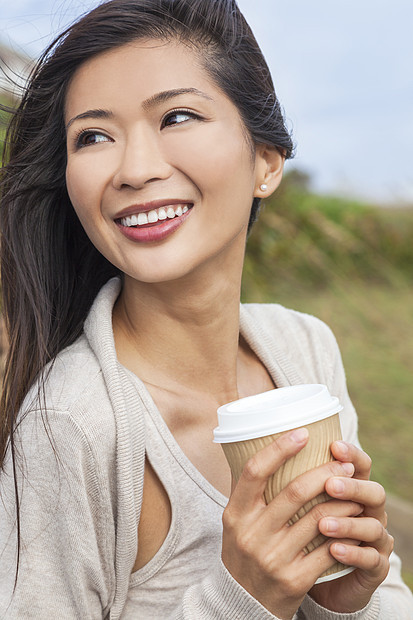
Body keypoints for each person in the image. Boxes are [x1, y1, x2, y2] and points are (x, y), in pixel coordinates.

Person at [0, 1, 412, 618]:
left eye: (178, 116)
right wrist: (242, 598)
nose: (135, 169)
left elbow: (384, 599)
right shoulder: (73, 424)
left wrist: (344, 601)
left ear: (267, 163)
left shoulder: (303, 349)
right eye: (93, 136)